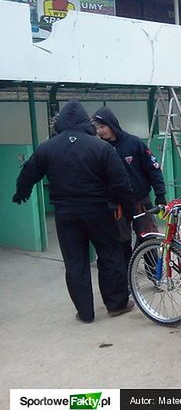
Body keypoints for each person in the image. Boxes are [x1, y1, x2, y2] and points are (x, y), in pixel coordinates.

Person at [13, 100, 136, 323]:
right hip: (99, 211)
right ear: (83, 121)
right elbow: (120, 183)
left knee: (75, 262)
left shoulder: (47, 147)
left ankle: (86, 313)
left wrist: (21, 193)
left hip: (66, 214)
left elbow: (28, 173)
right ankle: (116, 304)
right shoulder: (101, 147)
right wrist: (128, 210)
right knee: (110, 255)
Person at [92, 106, 167, 265]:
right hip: (117, 205)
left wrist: (160, 194)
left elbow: (153, 169)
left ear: (112, 124)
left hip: (140, 200)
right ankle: (126, 277)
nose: (100, 131)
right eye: (97, 128)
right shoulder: (100, 149)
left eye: (103, 126)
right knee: (121, 242)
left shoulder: (133, 143)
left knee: (147, 238)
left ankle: (155, 276)